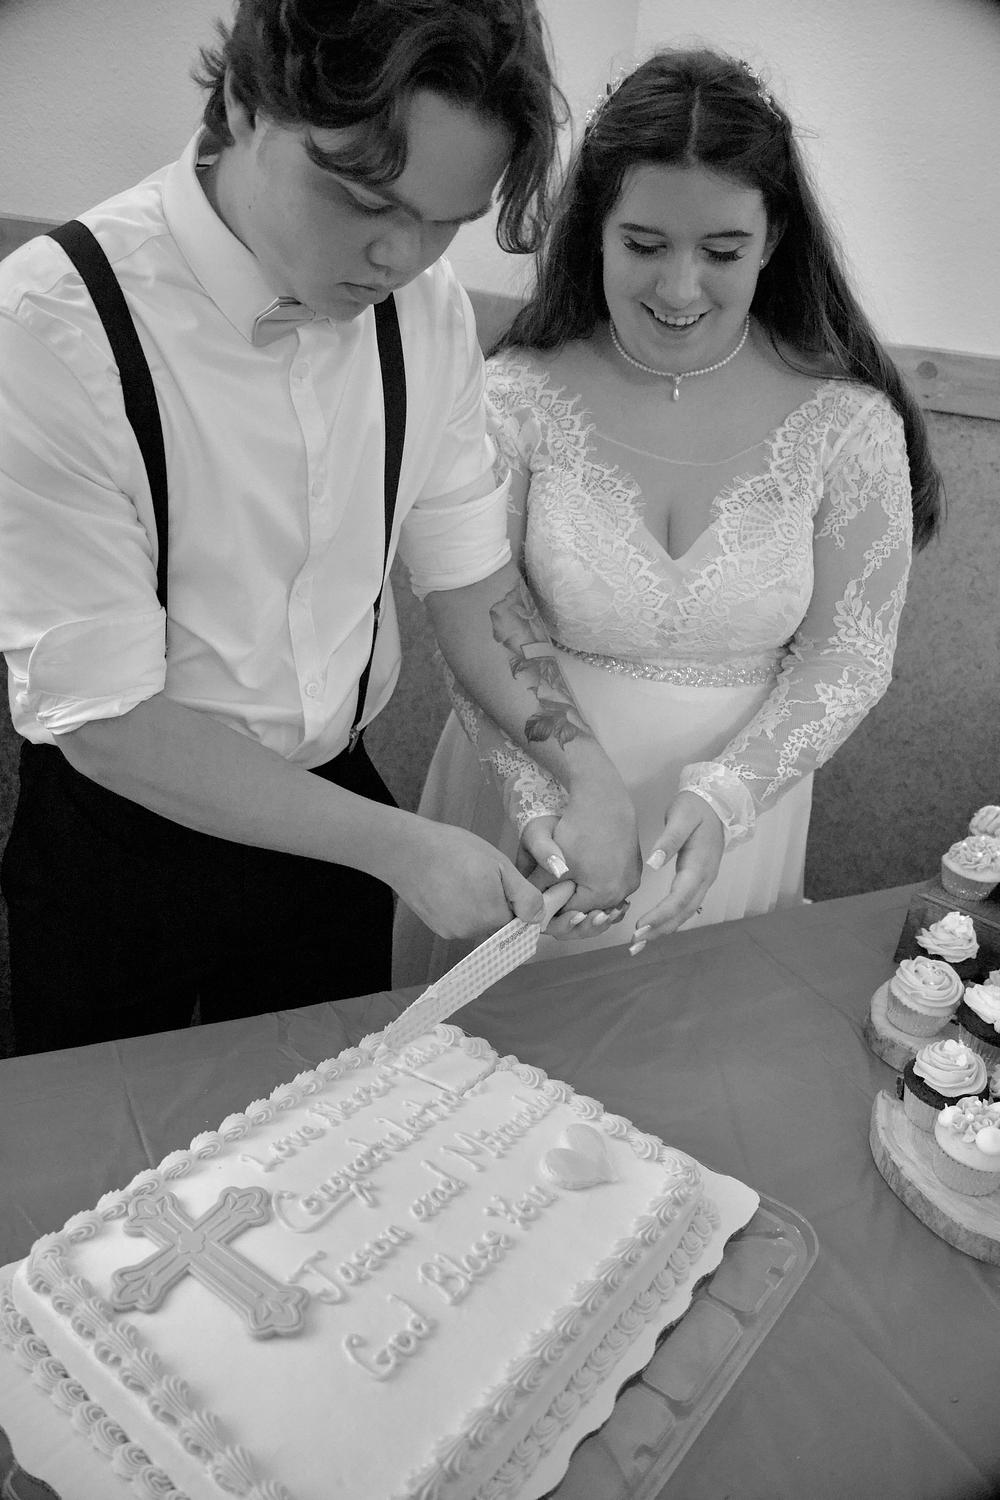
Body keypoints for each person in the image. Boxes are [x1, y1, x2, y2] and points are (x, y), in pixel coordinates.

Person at [0, 0, 643, 1055]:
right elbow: (108, 720)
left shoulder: (427, 310)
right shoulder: (47, 324)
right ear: (244, 105)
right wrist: (406, 848)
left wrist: (592, 773)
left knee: (336, 1133)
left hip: (338, 814)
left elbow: (471, 583)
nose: (398, 256)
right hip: (122, 833)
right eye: (361, 198)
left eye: (443, 220)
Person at [393, 46, 944, 983]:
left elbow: (848, 655)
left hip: (737, 822)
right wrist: (538, 798)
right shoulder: (514, 398)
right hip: (530, 799)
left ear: (772, 238)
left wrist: (731, 796)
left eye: (721, 252)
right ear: (595, 233)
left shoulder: (847, 426)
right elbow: (470, 621)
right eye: (644, 246)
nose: (680, 289)